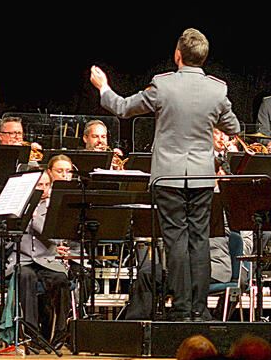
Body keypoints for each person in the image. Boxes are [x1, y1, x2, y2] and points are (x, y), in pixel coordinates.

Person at [90, 28, 242, 320]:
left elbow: (122, 108)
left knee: (176, 239)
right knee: (200, 239)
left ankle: (183, 307)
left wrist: (103, 87)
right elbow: (233, 126)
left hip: (169, 176)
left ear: (177, 55)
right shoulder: (217, 89)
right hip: (202, 176)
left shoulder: (162, 86)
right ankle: (199, 308)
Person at [12, 172, 70, 345]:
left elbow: (55, 236)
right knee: (26, 276)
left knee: (61, 279)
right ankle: (32, 333)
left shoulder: (55, 207)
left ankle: (60, 333)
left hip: (47, 260)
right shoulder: (17, 206)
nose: (44, 189)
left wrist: (35, 218)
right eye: (39, 186)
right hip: (23, 259)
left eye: (47, 185)